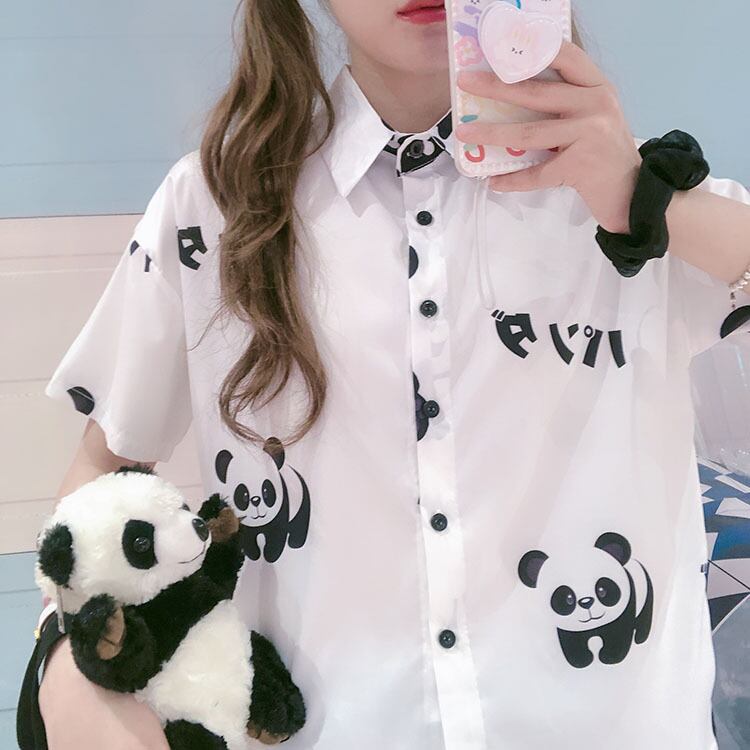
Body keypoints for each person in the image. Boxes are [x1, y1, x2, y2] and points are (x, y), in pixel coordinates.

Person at [31, 1, 750, 748]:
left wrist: (648, 203)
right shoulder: (214, 205)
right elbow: (106, 464)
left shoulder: (634, 198)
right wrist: (63, 658)